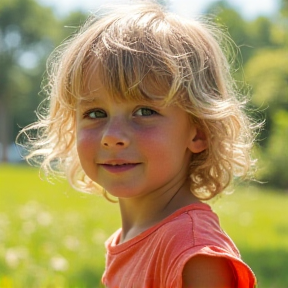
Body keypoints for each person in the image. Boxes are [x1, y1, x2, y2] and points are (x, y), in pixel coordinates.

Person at [18, 1, 258, 287]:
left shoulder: (193, 253)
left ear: (199, 132)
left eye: (144, 111)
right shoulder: (131, 238)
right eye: (95, 113)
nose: (112, 135)